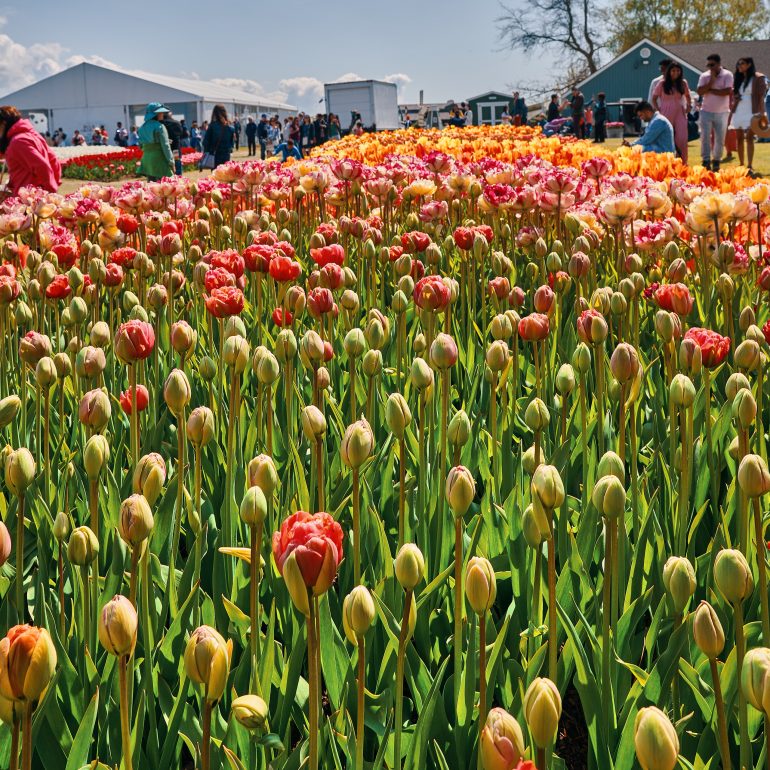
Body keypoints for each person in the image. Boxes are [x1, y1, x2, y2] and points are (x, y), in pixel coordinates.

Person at [0, 105, 61, 196]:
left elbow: (42, 166)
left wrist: (50, 191)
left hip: (27, 199)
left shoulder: (18, 141)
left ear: (3, 123)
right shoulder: (31, 135)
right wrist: (53, 184)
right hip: (35, 196)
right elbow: (53, 159)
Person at [730, 56, 768, 174]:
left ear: (749, 64)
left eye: (742, 63)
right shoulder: (738, 78)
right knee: (739, 138)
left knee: (750, 137)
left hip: (753, 110)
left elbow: (761, 97)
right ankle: (741, 165)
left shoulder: (758, 78)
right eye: (738, 64)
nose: (739, 66)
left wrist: (762, 114)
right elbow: (734, 93)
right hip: (739, 110)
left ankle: (750, 165)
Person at [697, 53, 734, 171]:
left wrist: (710, 90)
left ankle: (716, 160)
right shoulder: (704, 76)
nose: (710, 67)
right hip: (706, 111)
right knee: (705, 137)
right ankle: (706, 160)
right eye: (708, 65)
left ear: (719, 64)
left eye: (712, 64)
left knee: (720, 138)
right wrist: (711, 81)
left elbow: (727, 91)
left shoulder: (728, 75)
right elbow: (700, 92)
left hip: (722, 112)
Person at [652, 61, 692, 163]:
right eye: (673, 70)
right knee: (666, 137)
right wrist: (658, 110)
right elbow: (654, 98)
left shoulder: (683, 83)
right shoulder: (662, 83)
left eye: (678, 70)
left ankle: (683, 162)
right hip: (665, 112)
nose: (676, 73)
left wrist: (689, 105)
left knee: (682, 138)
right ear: (669, 71)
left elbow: (688, 96)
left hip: (680, 112)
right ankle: (666, 161)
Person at [137, 103, 174, 181]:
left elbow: (140, 145)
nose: (163, 114)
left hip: (147, 159)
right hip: (159, 159)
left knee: (151, 186)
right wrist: (171, 162)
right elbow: (166, 146)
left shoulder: (141, 128)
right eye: (160, 112)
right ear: (155, 114)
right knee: (164, 185)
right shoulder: (160, 126)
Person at [202, 104, 235, 168]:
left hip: (215, 155)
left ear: (214, 113)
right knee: (225, 174)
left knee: (216, 175)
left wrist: (207, 151)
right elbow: (232, 143)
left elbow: (205, 142)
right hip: (226, 155)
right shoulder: (230, 127)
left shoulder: (212, 126)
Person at [161, 110, 184, 175]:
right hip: (175, 149)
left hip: (164, 149)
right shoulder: (176, 123)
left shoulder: (160, 124)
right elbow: (181, 134)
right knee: (177, 168)